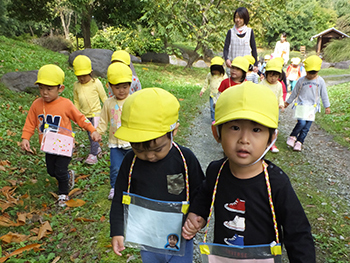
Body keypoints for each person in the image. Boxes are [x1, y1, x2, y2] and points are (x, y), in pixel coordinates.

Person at [182, 82, 316, 263]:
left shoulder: (276, 182)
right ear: (217, 133)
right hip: (225, 258)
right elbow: (205, 194)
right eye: (235, 128)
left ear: (272, 137)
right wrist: (197, 213)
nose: (244, 139)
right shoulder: (217, 171)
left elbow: (298, 233)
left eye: (256, 129)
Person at [110, 88, 205, 262]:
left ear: (173, 131)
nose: (150, 155)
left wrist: (198, 216)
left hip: (180, 234)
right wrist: (117, 231)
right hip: (147, 236)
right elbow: (119, 197)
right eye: (139, 149)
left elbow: (201, 191)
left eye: (158, 149)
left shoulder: (184, 159)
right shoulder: (130, 162)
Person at [21, 64, 101, 207]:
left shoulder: (66, 104)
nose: (45, 92)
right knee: (51, 171)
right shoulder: (36, 104)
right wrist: (25, 138)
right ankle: (68, 176)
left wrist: (92, 129)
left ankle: (63, 194)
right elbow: (30, 122)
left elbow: (80, 118)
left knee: (60, 169)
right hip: (48, 145)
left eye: (49, 89)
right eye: (41, 88)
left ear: (60, 88)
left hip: (64, 145)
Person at [96, 63, 132, 200]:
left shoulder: (133, 100)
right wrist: (98, 132)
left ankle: (132, 187)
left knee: (133, 167)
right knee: (116, 167)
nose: (121, 91)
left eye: (125, 87)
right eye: (117, 87)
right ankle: (114, 187)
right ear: (110, 86)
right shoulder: (108, 103)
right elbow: (104, 120)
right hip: (115, 143)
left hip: (132, 142)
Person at [285, 55, 331, 151]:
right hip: (301, 106)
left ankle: (300, 142)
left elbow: (324, 94)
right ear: (306, 70)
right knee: (301, 123)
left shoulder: (320, 81)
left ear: (318, 71)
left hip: (312, 108)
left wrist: (327, 106)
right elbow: (294, 93)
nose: (311, 75)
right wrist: (287, 102)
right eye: (309, 73)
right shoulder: (301, 81)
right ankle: (293, 136)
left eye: (313, 73)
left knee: (306, 127)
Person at [72, 55, 107, 164]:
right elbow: (76, 101)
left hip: (96, 114)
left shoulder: (96, 83)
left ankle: (93, 154)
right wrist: (76, 114)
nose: (82, 78)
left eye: (84, 75)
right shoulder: (76, 86)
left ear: (90, 72)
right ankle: (97, 148)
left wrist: (108, 110)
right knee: (89, 134)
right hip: (85, 116)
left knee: (94, 134)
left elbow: (104, 97)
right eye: (79, 76)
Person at [223, 7, 258, 77]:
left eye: (240, 18)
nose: (238, 20)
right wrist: (226, 59)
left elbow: (254, 49)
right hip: (233, 67)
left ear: (245, 19)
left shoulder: (249, 32)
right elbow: (226, 48)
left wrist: (256, 65)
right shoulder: (231, 32)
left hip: (246, 68)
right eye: (236, 17)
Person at [260, 58, 284, 153]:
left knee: (273, 127)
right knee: (263, 126)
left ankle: (272, 144)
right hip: (264, 108)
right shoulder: (262, 84)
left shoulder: (279, 85)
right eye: (271, 76)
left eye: (276, 76)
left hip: (274, 110)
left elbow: (280, 96)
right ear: (266, 74)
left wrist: (281, 104)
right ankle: (262, 143)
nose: (273, 78)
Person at [199, 56, 227, 123]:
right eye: (214, 70)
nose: (215, 72)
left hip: (221, 95)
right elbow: (206, 83)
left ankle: (220, 118)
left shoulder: (224, 76)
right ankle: (213, 120)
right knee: (212, 108)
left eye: (217, 70)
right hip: (212, 95)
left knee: (220, 107)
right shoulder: (209, 75)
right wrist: (202, 90)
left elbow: (226, 84)